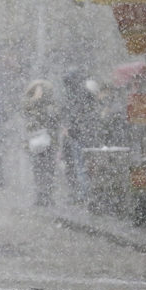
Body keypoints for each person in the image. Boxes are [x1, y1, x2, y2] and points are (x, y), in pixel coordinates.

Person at [61, 70, 100, 204]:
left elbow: (76, 116)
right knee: (86, 166)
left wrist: (70, 128)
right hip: (88, 135)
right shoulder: (88, 96)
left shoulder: (75, 96)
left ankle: (85, 195)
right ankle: (89, 195)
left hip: (79, 136)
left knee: (81, 166)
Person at [22, 79, 59, 207]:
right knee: (38, 169)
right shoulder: (29, 104)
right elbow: (28, 116)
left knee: (48, 169)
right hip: (35, 141)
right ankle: (41, 195)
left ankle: (47, 195)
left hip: (48, 141)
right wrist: (36, 100)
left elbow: (52, 119)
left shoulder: (50, 105)